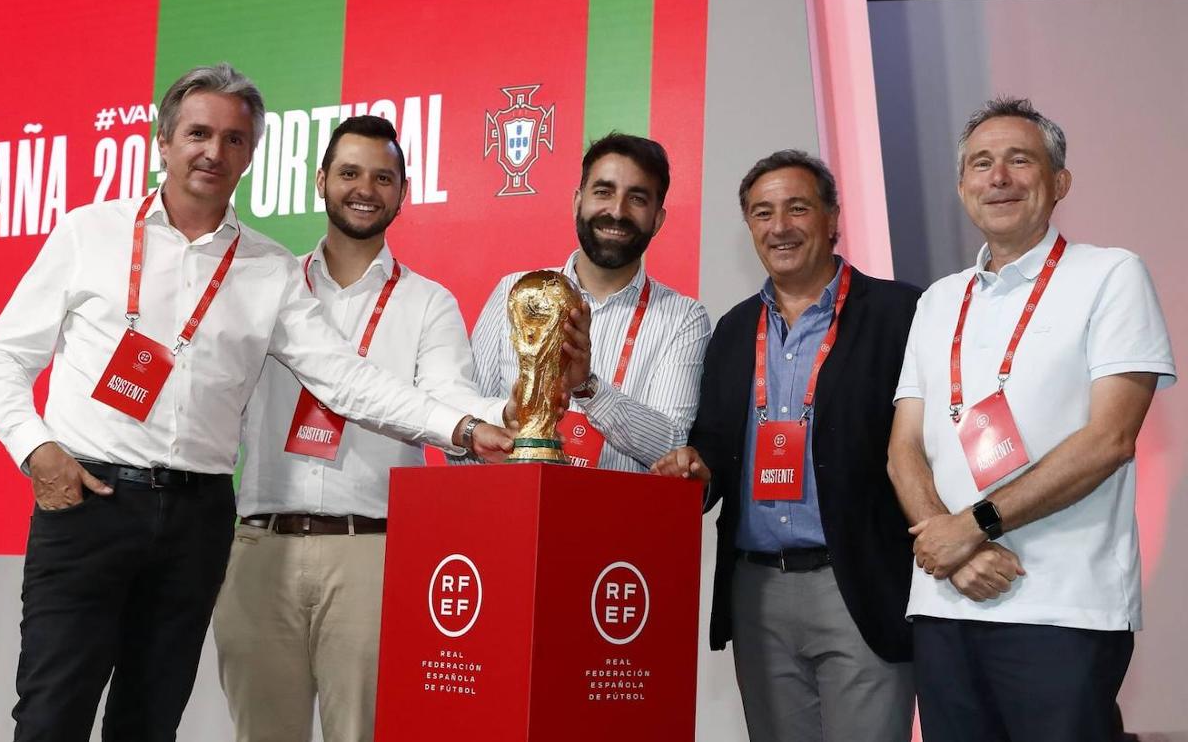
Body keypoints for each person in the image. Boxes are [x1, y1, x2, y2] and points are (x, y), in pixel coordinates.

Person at [0, 65, 511, 742]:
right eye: (198, 133)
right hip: (89, 499)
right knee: (53, 713)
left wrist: (459, 424)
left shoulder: (269, 268)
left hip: (198, 518)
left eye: (233, 139)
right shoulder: (89, 233)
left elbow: (345, 378)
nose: (213, 152)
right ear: (162, 142)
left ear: (251, 156)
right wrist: (36, 448)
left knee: (149, 720)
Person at [887, 97, 1176, 741]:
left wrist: (975, 525)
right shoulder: (938, 300)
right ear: (962, 186)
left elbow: (1110, 440)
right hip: (946, 601)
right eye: (981, 164)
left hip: (1064, 608)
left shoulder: (1110, 274)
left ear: (1059, 182)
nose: (1000, 178)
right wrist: (953, 547)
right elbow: (903, 447)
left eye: (1021, 160)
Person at [212, 115, 509, 742]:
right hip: (262, 546)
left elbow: (448, 400)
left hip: (374, 553)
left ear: (403, 191)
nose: (364, 188)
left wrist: (507, 418)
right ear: (321, 181)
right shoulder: (267, 285)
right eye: (349, 173)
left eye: (383, 176)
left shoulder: (430, 303)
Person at [654, 150, 920, 741]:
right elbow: (716, 446)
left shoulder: (901, 314)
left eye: (798, 208)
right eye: (762, 212)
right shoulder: (730, 330)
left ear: (832, 219)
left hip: (858, 584)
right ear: (749, 227)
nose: (780, 227)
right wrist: (697, 469)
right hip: (758, 592)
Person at [468, 132, 710, 471]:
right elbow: (463, 426)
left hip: (614, 519)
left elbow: (672, 445)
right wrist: (505, 416)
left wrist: (587, 387)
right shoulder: (517, 291)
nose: (616, 211)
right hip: (515, 512)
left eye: (637, 199)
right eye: (603, 192)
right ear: (577, 202)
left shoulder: (683, 317)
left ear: (657, 220)